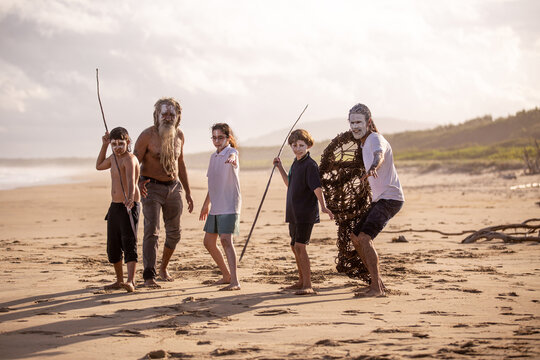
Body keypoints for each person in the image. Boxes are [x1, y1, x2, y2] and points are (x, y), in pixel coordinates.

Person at [134, 97, 194, 288]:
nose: (168, 117)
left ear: (177, 117)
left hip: (174, 187)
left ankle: (163, 268)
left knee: (174, 233)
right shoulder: (147, 136)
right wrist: (138, 182)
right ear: (157, 116)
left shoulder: (179, 136)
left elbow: (181, 163)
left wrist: (188, 192)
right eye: (164, 114)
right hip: (151, 188)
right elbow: (134, 162)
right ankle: (149, 275)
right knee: (152, 231)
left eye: (171, 114)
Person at [348, 103, 404, 297]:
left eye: (358, 122)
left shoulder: (374, 138)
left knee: (364, 237)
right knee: (355, 238)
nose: (355, 126)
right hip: (380, 199)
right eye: (352, 122)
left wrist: (373, 167)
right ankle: (376, 281)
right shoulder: (364, 142)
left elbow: (379, 155)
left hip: (390, 198)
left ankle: (376, 288)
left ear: (369, 122)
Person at [274, 129, 334, 295]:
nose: (298, 148)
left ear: (308, 145)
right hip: (293, 211)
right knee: (294, 246)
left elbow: (316, 187)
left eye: (301, 145)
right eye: (294, 145)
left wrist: (323, 206)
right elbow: (289, 183)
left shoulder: (310, 165)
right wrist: (280, 167)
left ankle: (308, 284)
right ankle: (300, 281)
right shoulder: (295, 163)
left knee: (301, 246)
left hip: (305, 212)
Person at [96, 127, 141, 293]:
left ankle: (131, 281)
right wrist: (104, 145)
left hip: (128, 205)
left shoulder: (129, 158)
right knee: (113, 246)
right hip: (115, 206)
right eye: (114, 144)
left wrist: (129, 199)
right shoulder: (113, 157)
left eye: (121, 143)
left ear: (128, 142)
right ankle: (119, 280)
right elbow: (99, 166)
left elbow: (131, 180)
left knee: (128, 242)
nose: (117, 147)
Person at [199, 123, 242, 291]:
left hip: (230, 204)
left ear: (228, 138)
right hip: (216, 205)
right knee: (209, 242)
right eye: (214, 138)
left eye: (220, 137)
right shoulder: (213, 157)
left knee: (225, 240)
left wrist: (231, 160)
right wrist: (205, 204)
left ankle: (235, 282)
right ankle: (226, 275)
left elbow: (234, 158)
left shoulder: (232, 152)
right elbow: (213, 184)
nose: (217, 141)